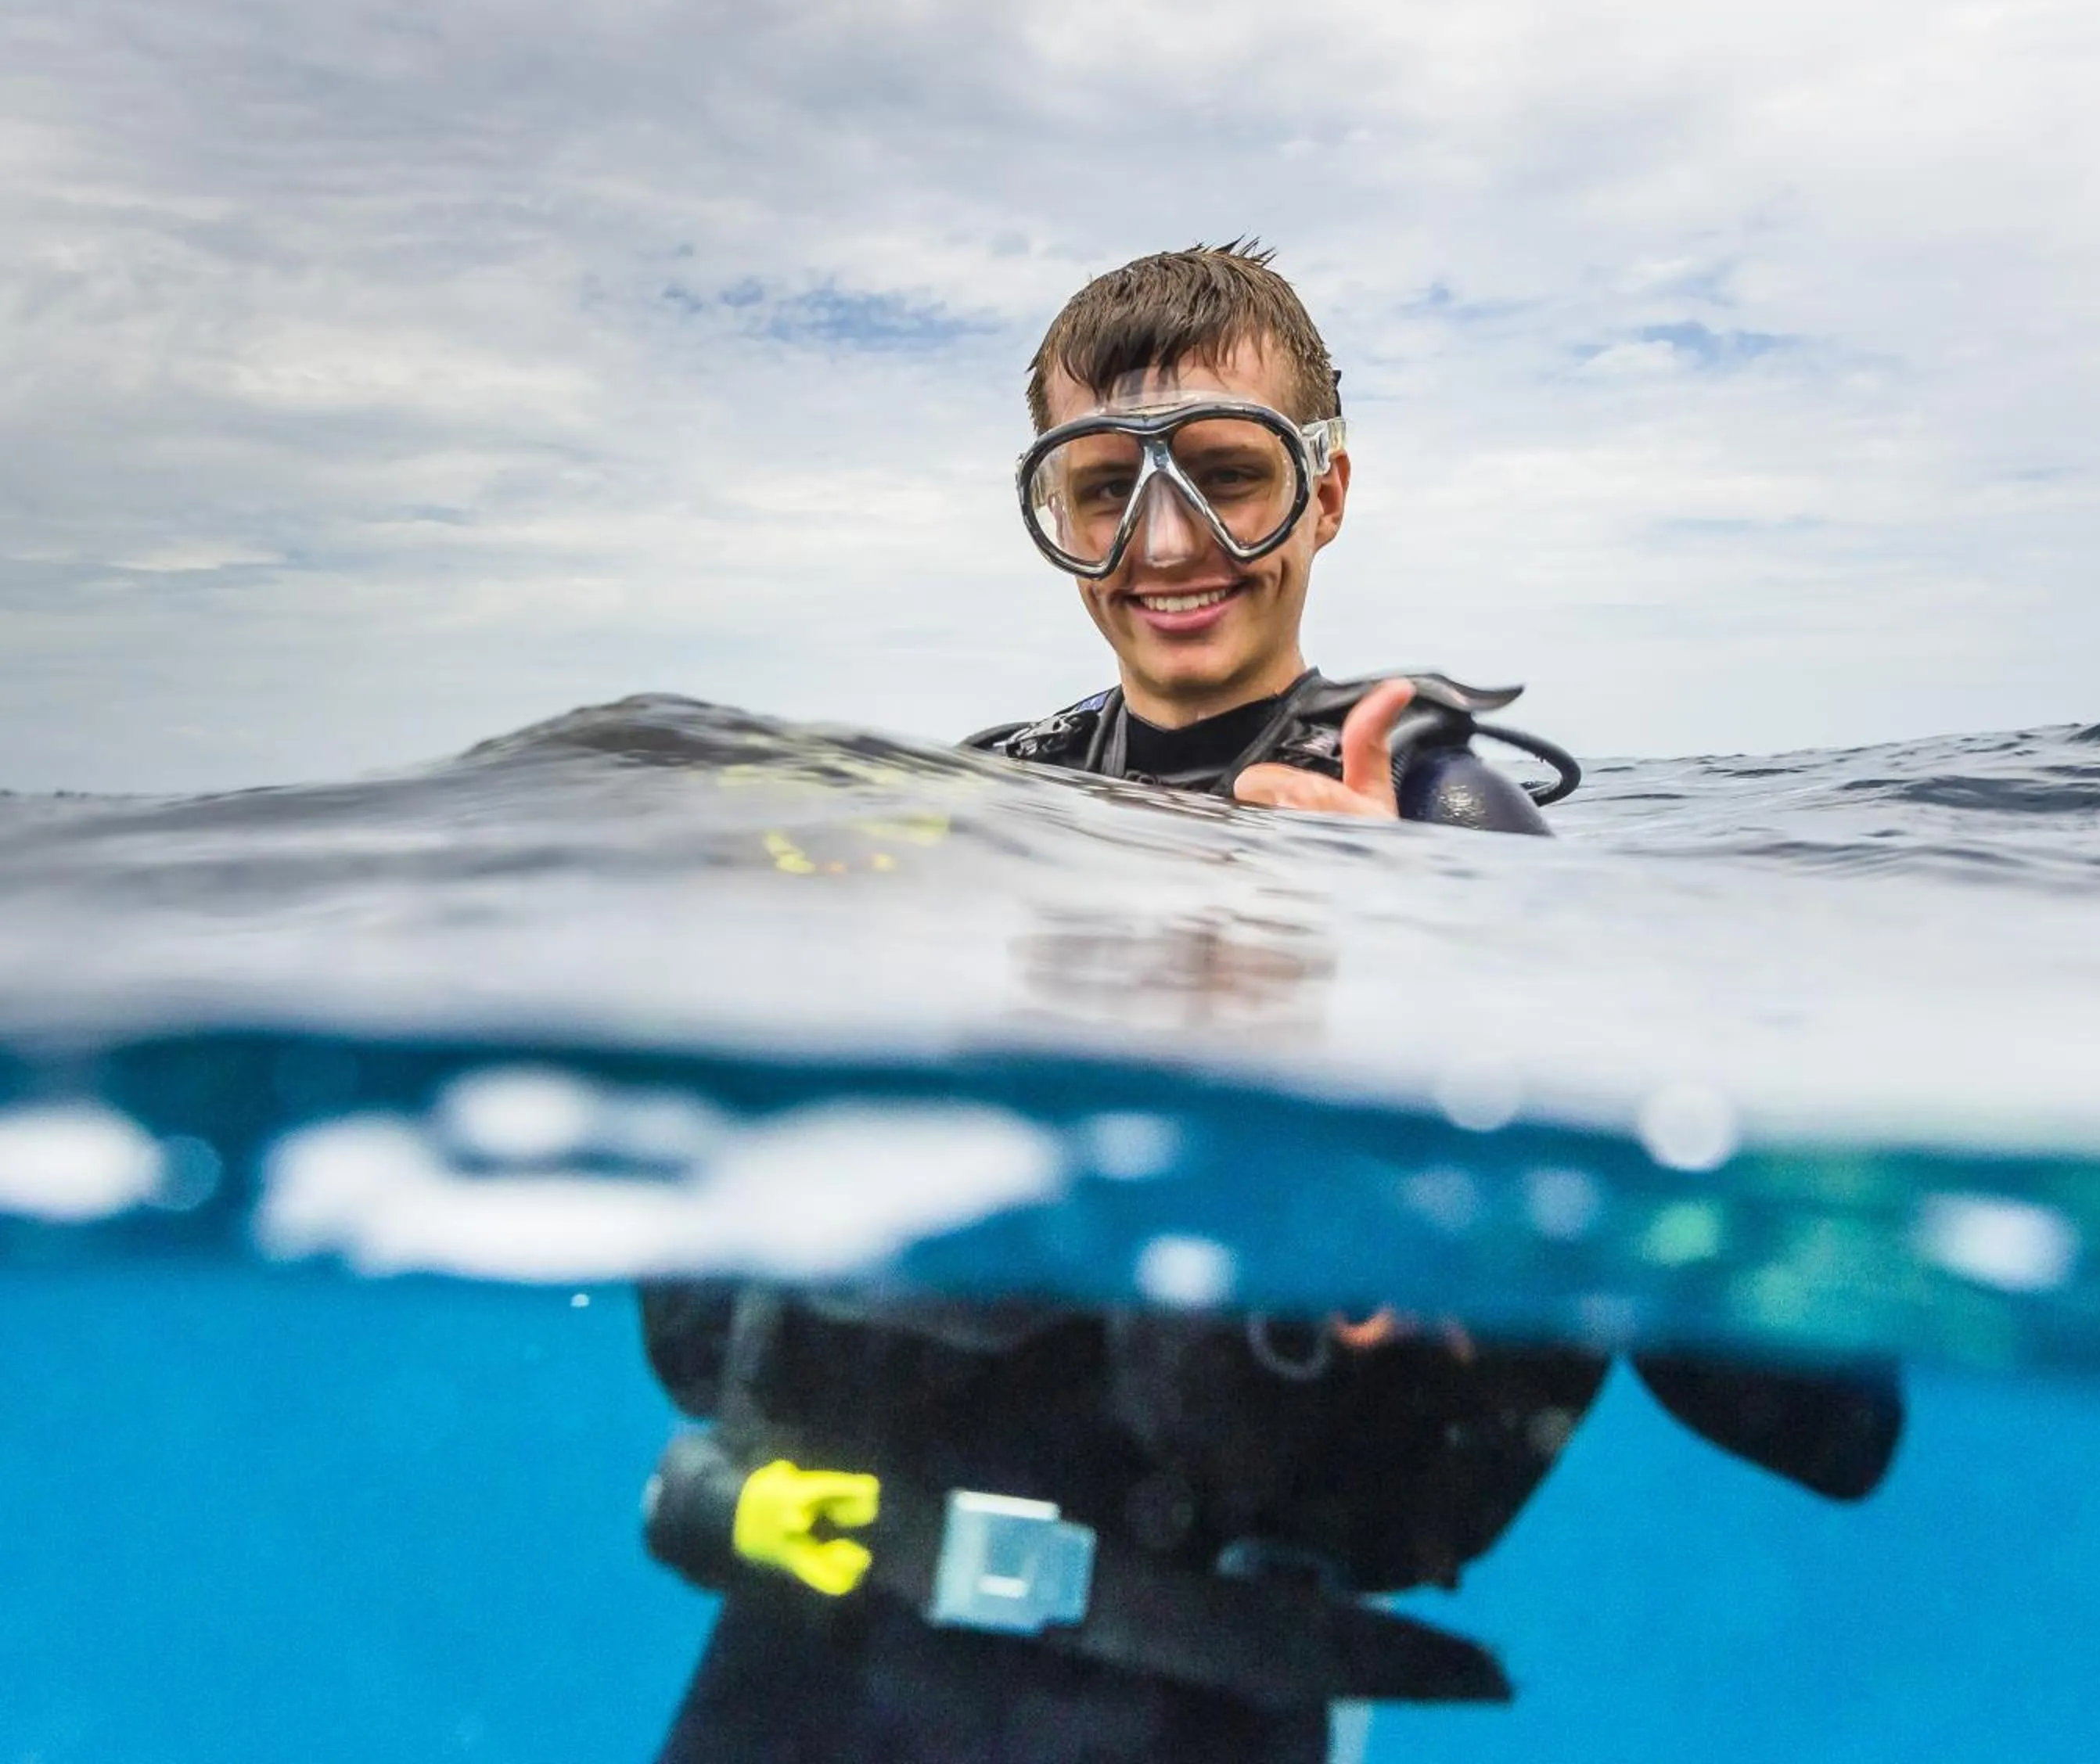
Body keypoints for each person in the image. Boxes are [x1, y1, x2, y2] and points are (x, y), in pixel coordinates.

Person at [640, 243, 1903, 1764]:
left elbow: (1838, 1429)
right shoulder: (976, 820)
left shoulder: (1449, 837)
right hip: (809, 1647)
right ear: (1049, 514)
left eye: (1226, 477)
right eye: (1104, 489)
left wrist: (1441, 987)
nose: (1166, 544)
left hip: (1185, 1702)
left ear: (1327, 493)